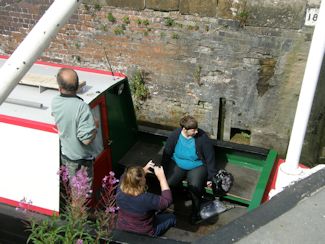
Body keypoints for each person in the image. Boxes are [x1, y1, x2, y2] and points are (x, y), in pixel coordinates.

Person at [161, 115, 218, 224]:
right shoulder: (175, 135)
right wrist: (162, 170)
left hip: (197, 165)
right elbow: (167, 152)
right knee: (168, 183)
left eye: (196, 129)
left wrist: (211, 177)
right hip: (178, 163)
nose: (196, 132)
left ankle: (195, 212)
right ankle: (165, 205)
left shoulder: (202, 137)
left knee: (195, 187)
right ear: (184, 129)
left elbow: (210, 157)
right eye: (193, 130)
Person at [51, 68, 97, 182]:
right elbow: (86, 140)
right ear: (77, 87)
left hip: (66, 156)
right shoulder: (82, 107)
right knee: (81, 197)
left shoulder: (55, 102)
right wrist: (95, 126)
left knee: (71, 191)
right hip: (80, 162)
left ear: (60, 88)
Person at [116, 160, 176, 237]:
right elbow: (167, 201)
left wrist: (142, 171)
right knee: (172, 217)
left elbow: (125, 176)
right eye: (144, 177)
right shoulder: (146, 199)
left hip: (123, 227)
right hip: (144, 232)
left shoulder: (120, 191)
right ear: (142, 182)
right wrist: (162, 178)